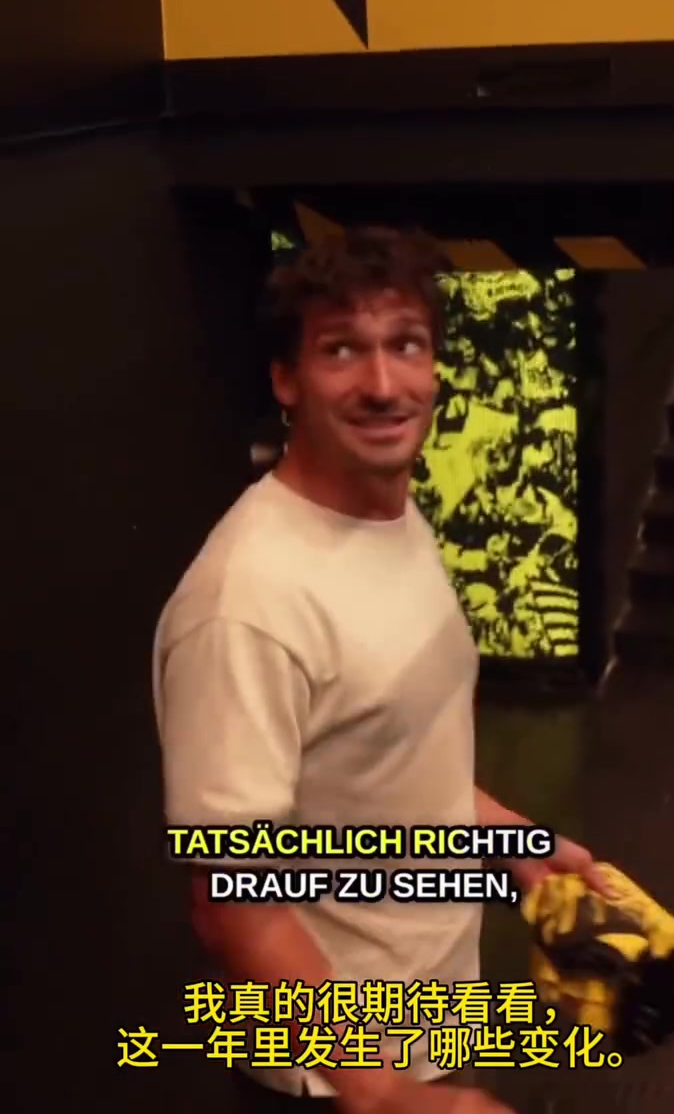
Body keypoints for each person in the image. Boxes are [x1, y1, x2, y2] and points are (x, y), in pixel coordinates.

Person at [152, 227, 610, 1114]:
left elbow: (392, 764)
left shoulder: (393, 521)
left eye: (405, 344)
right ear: (285, 380)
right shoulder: (246, 604)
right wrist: (383, 1089)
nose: (382, 384)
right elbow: (230, 896)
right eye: (340, 351)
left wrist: (517, 847)